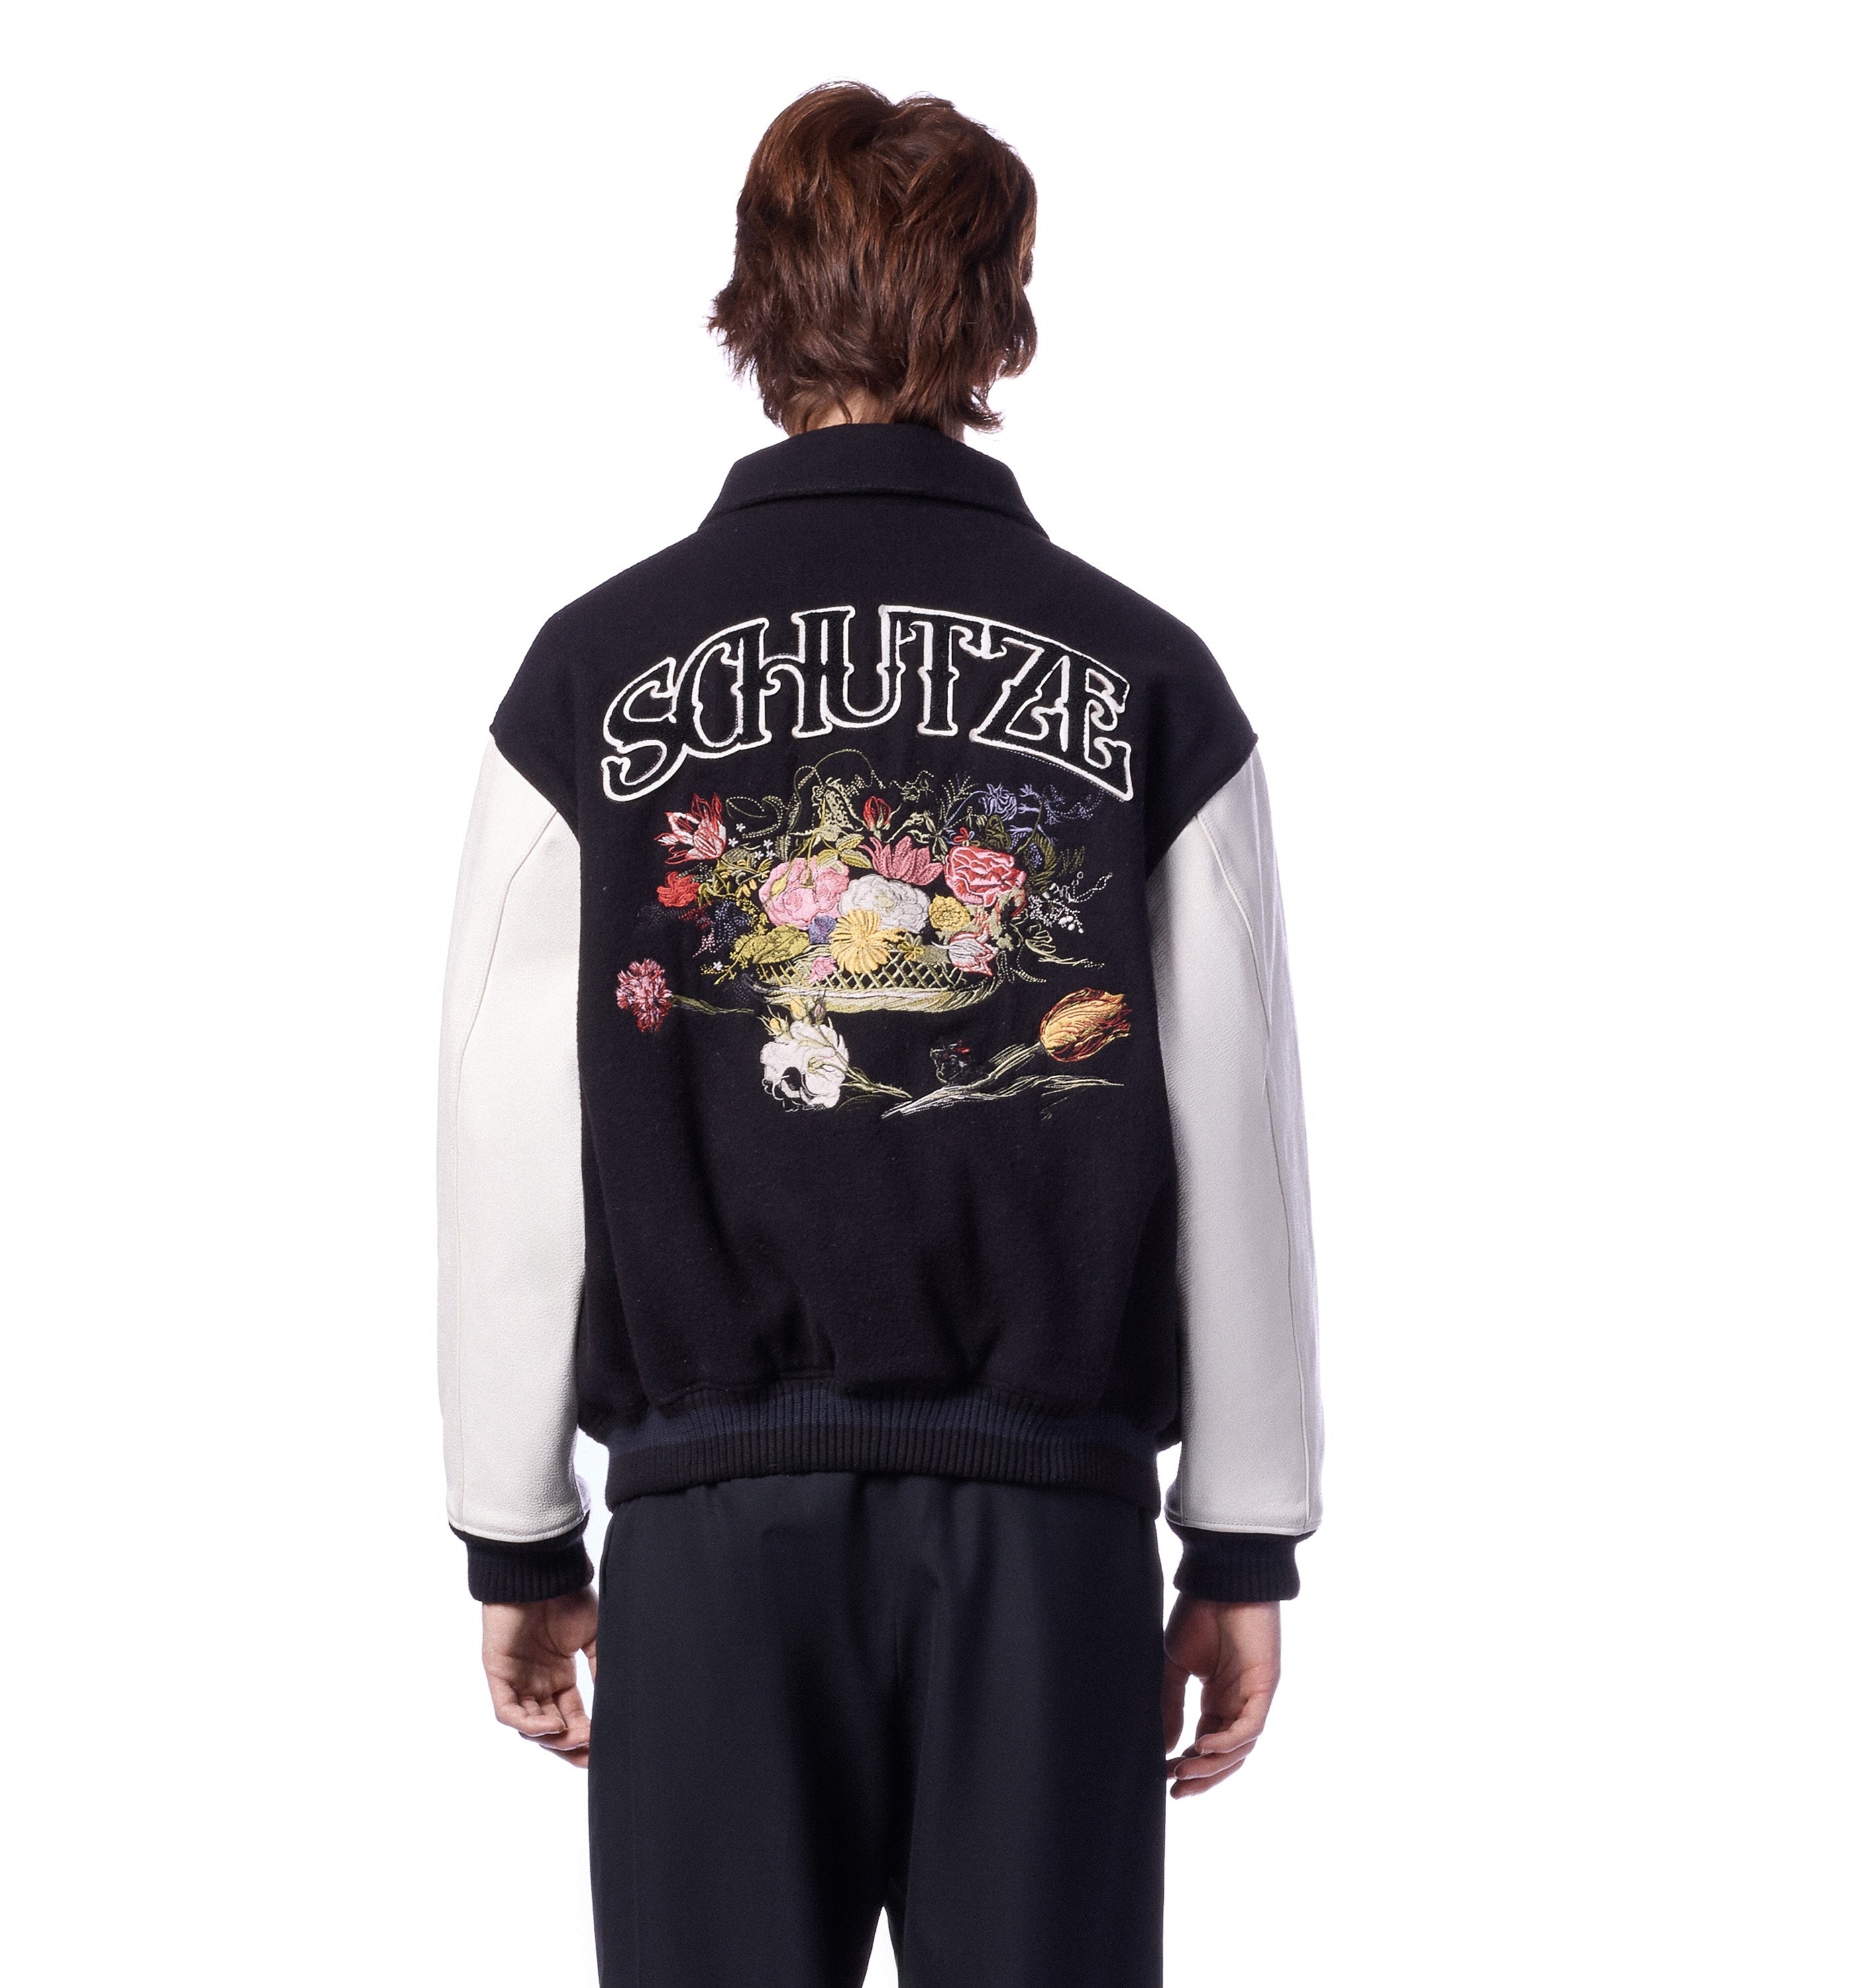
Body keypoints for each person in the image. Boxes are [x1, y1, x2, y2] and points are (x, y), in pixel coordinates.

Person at [437, 82, 1322, 1988]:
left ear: (751, 306)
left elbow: (511, 1124)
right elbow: (1237, 1115)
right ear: (1005, 315)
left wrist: (516, 1532)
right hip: (1049, 1537)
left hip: (713, 1535)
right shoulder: (1150, 678)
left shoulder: (592, 676)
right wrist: (1243, 1534)